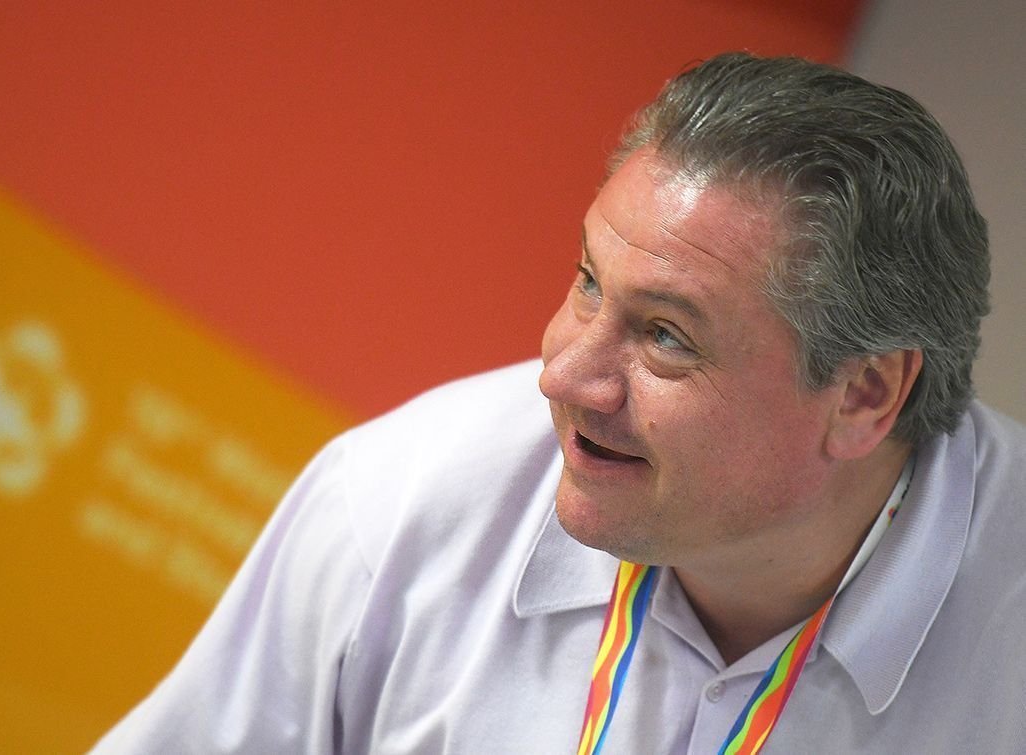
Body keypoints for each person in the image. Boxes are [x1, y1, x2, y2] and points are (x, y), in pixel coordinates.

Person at [93, 53, 1025, 754]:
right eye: (588, 282)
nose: (565, 378)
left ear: (864, 393)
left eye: (666, 335)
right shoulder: (398, 501)